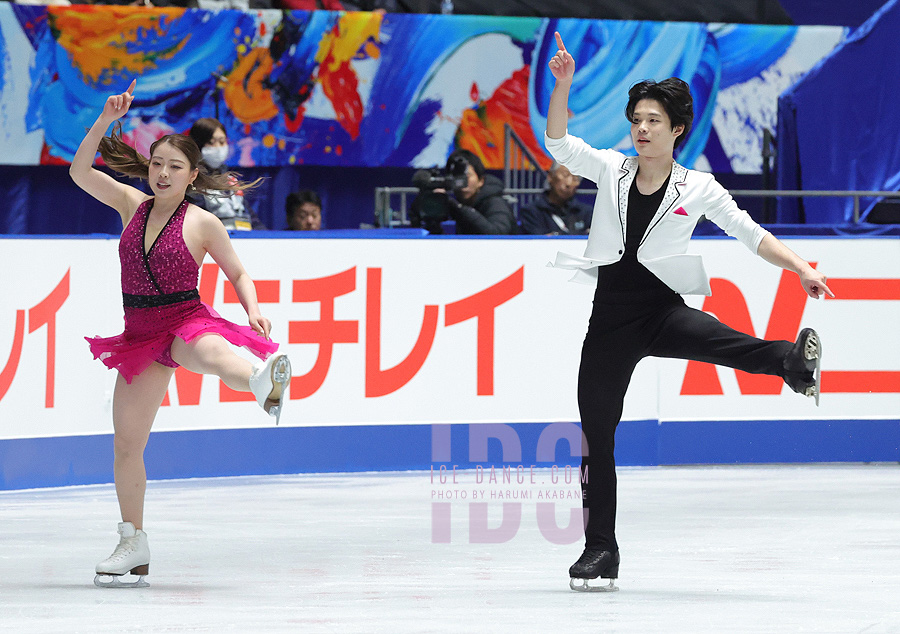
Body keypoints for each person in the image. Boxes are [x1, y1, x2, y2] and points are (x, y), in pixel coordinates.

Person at [544, 33, 833, 592]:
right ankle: (601, 548)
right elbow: (558, 142)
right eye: (637, 120)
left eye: (654, 120)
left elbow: (752, 235)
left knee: (725, 341)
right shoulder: (610, 169)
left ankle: (794, 365)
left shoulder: (697, 187)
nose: (642, 128)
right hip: (609, 320)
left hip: (660, 311)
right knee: (596, 434)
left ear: (677, 130)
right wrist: (562, 85)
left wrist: (800, 266)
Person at [70, 80, 292, 588]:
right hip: (138, 333)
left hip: (183, 318)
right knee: (127, 444)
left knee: (211, 352)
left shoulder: (202, 221)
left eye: (175, 166)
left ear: (192, 174)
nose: (163, 173)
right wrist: (106, 120)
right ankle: (134, 540)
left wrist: (253, 309)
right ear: (148, 169)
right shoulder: (131, 205)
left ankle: (263, 379)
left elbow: (237, 272)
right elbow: (80, 172)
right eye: (157, 164)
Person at [410, 149, 517, 235]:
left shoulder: (496, 203)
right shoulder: (457, 204)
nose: (462, 183)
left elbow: (497, 236)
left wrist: (458, 208)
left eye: (467, 177)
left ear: (481, 181)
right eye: (456, 177)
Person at [188, 118, 267, 231]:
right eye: (211, 142)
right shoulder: (193, 182)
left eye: (222, 141)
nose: (218, 147)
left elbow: (252, 220)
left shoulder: (231, 181)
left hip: (246, 240)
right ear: (198, 145)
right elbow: (196, 223)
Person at [519, 162, 592, 235]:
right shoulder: (531, 212)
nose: (569, 183)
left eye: (575, 178)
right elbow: (536, 242)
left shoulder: (587, 213)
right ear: (550, 176)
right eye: (565, 175)